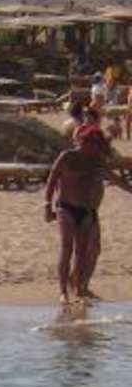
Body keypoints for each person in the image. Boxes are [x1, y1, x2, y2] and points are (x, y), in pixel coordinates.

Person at [45, 123, 129, 302]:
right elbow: (52, 180)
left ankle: (79, 289)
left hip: (86, 211)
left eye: (98, 145)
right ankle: (63, 292)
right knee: (66, 247)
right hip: (65, 207)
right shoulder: (67, 157)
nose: (95, 149)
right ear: (83, 142)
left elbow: (116, 180)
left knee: (82, 252)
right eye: (92, 144)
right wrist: (47, 206)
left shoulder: (96, 162)